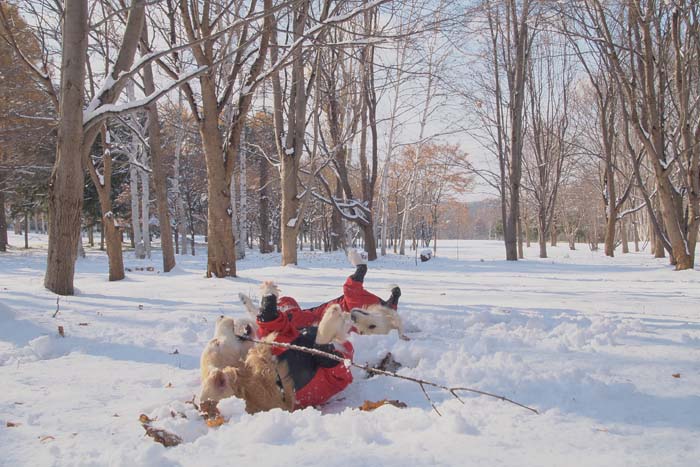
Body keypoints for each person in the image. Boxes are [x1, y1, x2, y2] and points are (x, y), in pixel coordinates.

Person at [254, 251, 401, 409]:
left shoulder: (299, 321)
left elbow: (340, 307)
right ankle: (328, 352)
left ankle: (327, 351)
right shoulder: (301, 321)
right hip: (293, 383)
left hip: (279, 377)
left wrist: (269, 312)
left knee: (328, 344)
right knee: (335, 352)